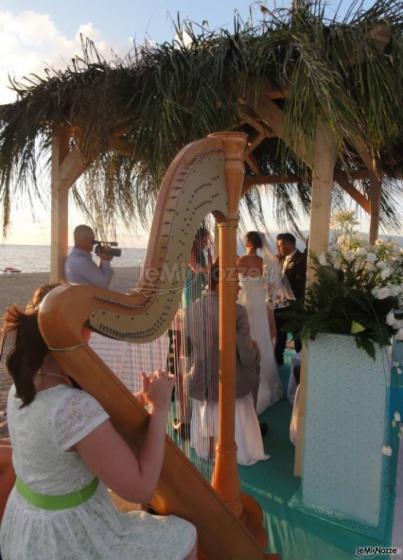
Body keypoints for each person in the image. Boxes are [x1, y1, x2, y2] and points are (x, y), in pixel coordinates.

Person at [0, 299, 197, 559]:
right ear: (67, 339)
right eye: (86, 335)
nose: (90, 341)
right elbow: (141, 488)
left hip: (28, 524)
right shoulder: (73, 407)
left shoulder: (21, 388)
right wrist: (160, 409)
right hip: (68, 536)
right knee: (186, 535)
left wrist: (139, 401)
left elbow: (73, 431)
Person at [185, 264, 269, 466]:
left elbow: (189, 348)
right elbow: (247, 357)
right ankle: (241, 444)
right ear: (223, 285)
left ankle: (207, 442)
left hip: (202, 379)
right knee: (253, 368)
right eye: (236, 284)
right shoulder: (238, 311)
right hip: (231, 382)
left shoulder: (192, 307)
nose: (240, 288)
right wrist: (257, 349)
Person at [237, 232, 284, 414]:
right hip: (259, 304)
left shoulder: (239, 261)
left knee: (243, 338)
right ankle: (267, 379)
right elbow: (273, 291)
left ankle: (242, 378)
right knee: (262, 339)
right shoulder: (266, 263)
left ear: (248, 242)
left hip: (242, 303)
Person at [275, 233, 307, 365]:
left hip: (295, 304)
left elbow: (301, 282)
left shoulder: (302, 259)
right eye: (278, 245)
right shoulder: (280, 259)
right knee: (279, 334)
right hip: (280, 304)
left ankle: (301, 363)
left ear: (290, 243)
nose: (279, 248)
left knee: (298, 335)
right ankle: (278, 360)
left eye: (281, 245)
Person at [64, 224, 114, 289]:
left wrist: (102, 259)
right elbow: (104, 284)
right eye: (93, 241)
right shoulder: (81, 261)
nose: (93, 245)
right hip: (88, 298)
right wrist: (106, 261)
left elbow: (97, 276)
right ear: (86, 240)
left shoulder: (73, 258)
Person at [182, 227, 210, 308]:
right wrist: (209, 267)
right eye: (204, 241)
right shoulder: (189, 251)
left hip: (201, 287)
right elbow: (195, 268)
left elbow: (205, 271)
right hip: (191, 288)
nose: (205, 244)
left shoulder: (200, 252)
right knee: (192, 312)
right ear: (196, 240)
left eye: (206, 241)